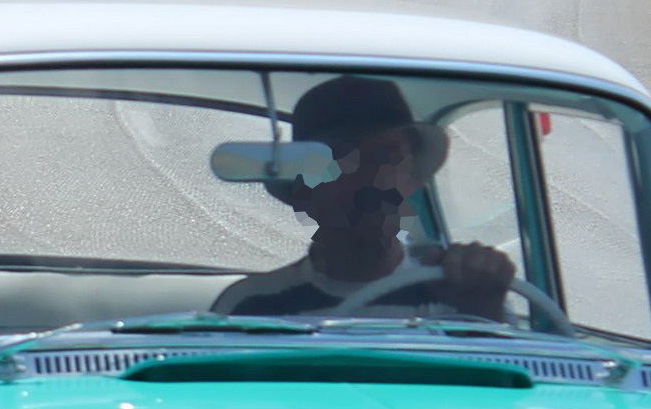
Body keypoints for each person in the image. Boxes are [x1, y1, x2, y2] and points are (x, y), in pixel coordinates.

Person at [212, 76, 516, 320]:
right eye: (343, 160)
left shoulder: (462, 292)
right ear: (304, 193)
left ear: (413, 182)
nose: (375, 177)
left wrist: (481, 313)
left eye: (391, 156)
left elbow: (509, 389)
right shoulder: (253, 308)